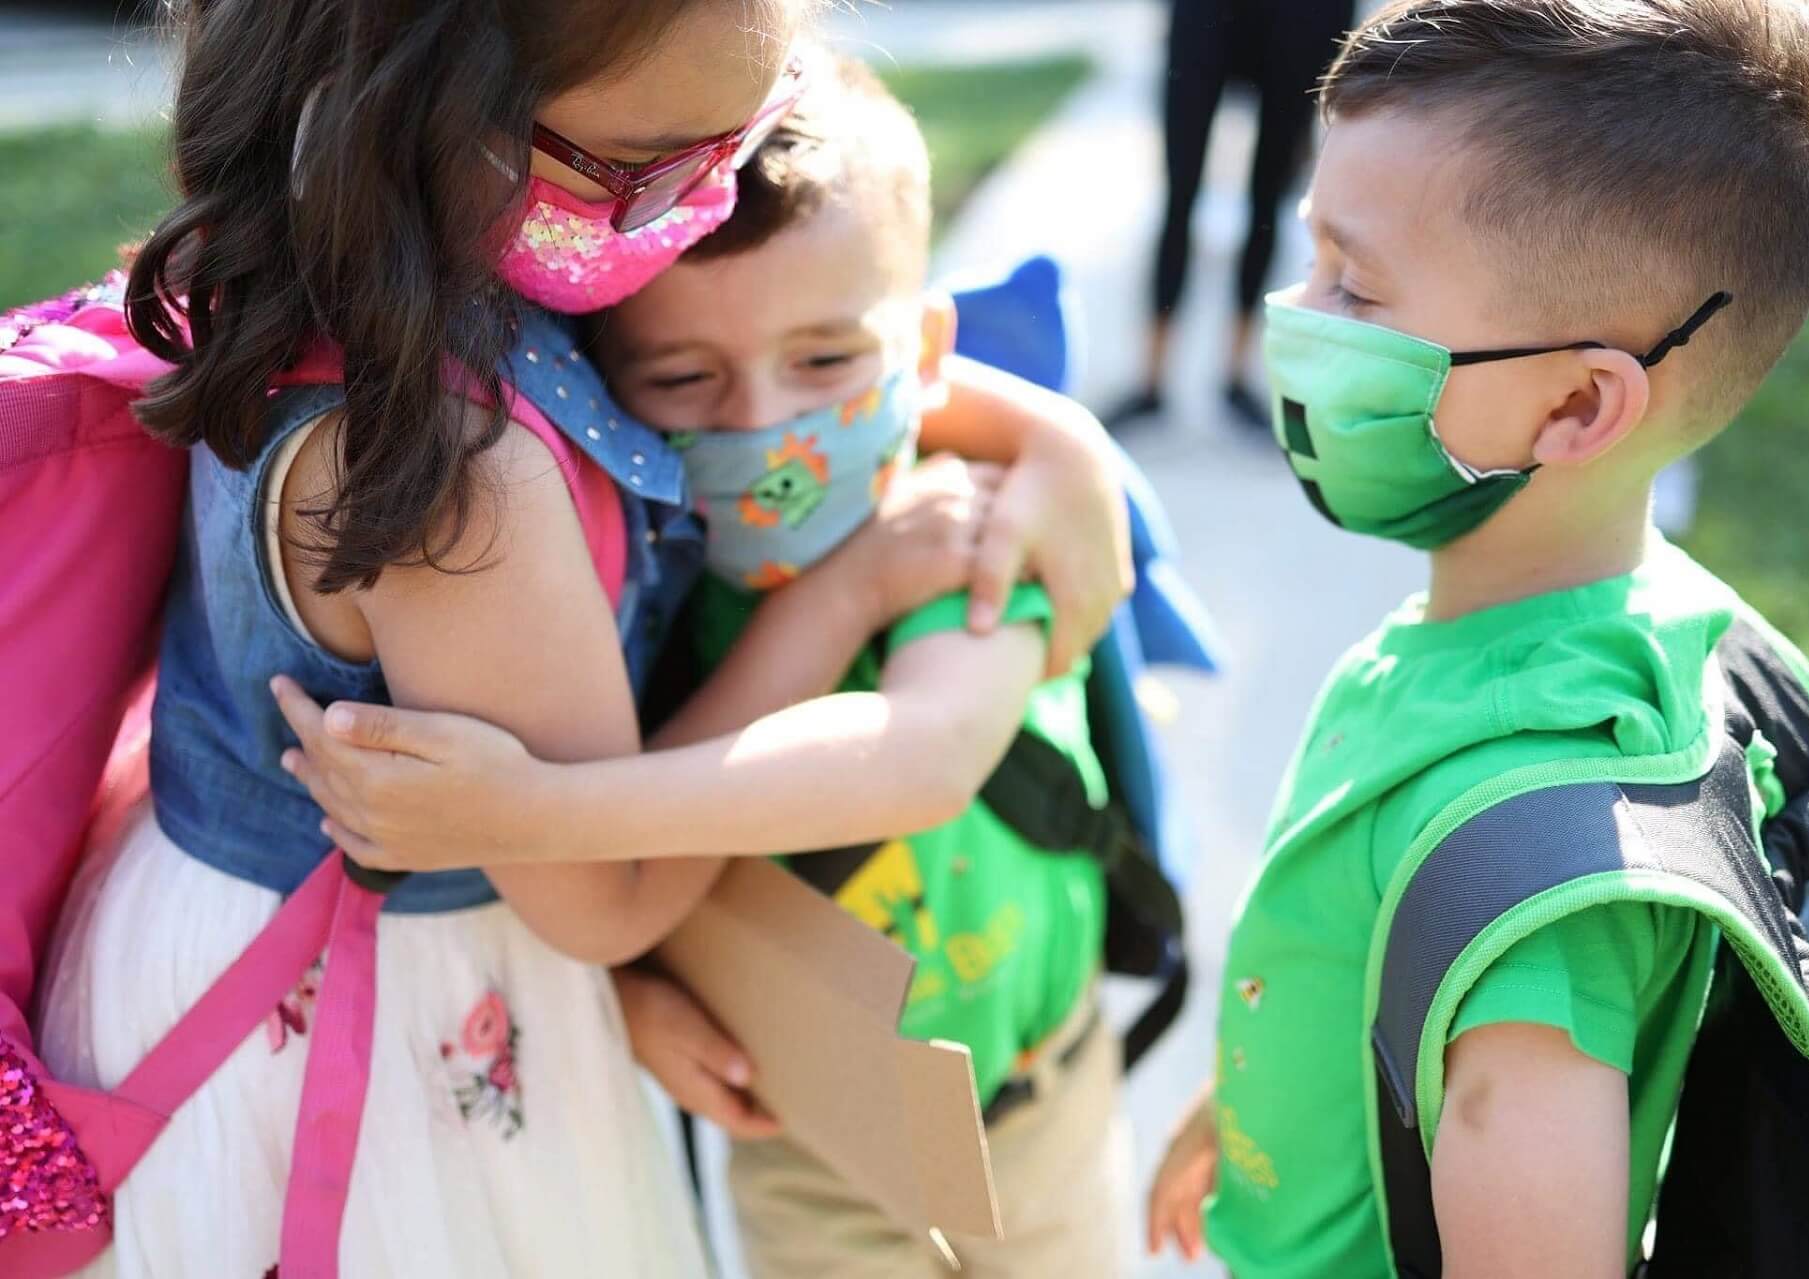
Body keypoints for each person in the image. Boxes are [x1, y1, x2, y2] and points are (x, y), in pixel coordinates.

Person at [33, 3, 1134, 1275]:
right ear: (444, 113)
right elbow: (606, 895)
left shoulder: (402, 255)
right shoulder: (452, 483)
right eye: (668, 169)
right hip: (374, 1017)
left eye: (756, 125)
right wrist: (837, 602)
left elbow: (814, 347)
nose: (714, 204)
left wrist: (1059, 442)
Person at [1144, 0, 1809, 1274]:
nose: (1293, 309)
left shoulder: (1537, 880)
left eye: (1352, 284)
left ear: (1578, 401)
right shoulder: (1633, 621)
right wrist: (1260, 1102)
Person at [591, 56, 1131, 1278]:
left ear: (922, 349)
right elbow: (616, 863)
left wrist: (868, 579)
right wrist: (623, 990)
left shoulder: (975, 523)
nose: (762, 426)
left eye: (827, 364)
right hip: (811, 1149)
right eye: (683, 378)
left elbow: (919, 756)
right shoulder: (633, 605)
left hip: (1049, 1108)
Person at [1107, 0, 1354, 432]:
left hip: (1305, 15)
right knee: (1178, 195)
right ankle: (1151, 381)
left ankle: (1236, 377)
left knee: (1269, 201)